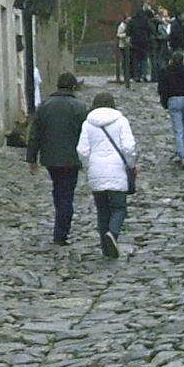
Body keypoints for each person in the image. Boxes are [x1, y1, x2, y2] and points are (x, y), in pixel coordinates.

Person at [24, 72, 88, 246]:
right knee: (67, 195)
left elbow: (35, 134)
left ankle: (60, 226)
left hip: (51, 159)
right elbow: (86, 135)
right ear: (73, 87)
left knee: (59, 191)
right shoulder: (80, 107)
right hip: (71, 159)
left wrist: (32, 159)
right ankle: (61, 233)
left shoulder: (45, 106)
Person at [77, 91, 138, 258]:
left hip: (96, 171)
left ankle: (105, 248)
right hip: (117, 170)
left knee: (102, 210)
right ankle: (113, 233)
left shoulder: (87, 124)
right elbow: (129, 147)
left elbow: (82, 150)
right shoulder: (121, 121)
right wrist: (131, 165)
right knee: (119, 208)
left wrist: (89, 165)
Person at [126, 4, 153, 84]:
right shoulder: (145, 21)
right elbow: (150, 31)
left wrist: (129, 39)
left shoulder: (132, 21)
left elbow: (128, 31)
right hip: (144, 42)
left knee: (136, 60)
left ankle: (136, 76)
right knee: (144, 60)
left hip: (135, 43)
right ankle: (143, 76)